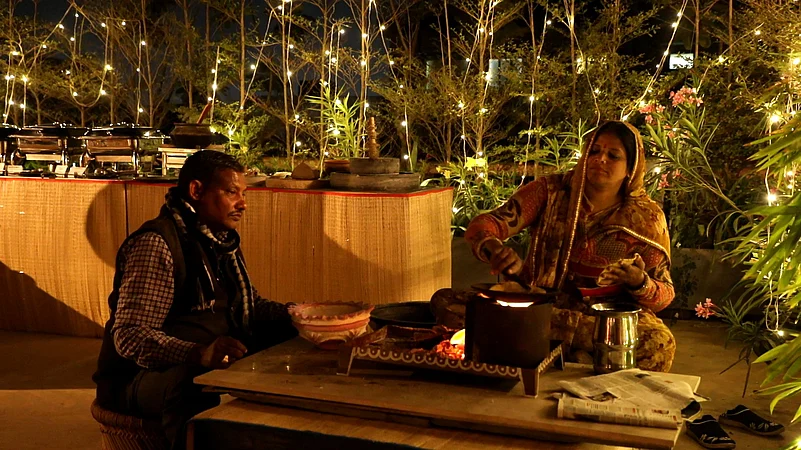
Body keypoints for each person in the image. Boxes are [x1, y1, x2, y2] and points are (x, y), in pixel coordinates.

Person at [93, 150, 296, 449]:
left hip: (202, 358)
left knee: (289, 334)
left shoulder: (221, 242)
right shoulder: (157, 243)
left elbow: (251, 306)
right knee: (192, 383)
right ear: (196, 190)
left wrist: (301, 315)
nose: (243, 203)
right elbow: (130, 336)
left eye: (243, 194)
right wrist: (197, 353)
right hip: (141, 376)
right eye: (231, 192)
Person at [465, 120, 676, 372]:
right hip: (540, 308)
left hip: (603, 322)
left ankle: (565, 350)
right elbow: (486, 224)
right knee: (447, 303)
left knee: (659, 343)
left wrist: (638, 281)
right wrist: (493, 248)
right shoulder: (550, 192)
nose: (600, 159)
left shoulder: (647, 218)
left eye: (613, 155)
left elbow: (664, 296)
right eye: (594, 151)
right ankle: (581, 354)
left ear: (631, 168)